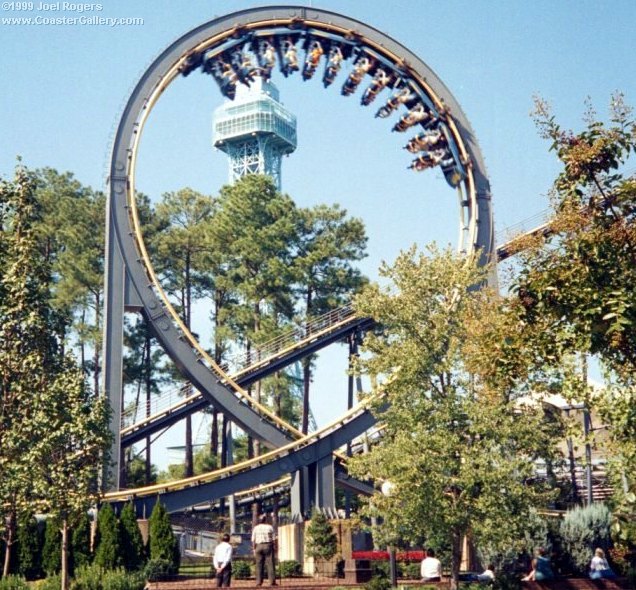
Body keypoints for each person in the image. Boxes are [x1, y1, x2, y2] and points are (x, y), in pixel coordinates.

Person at [252, 513, 277, 586]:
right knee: (270, 564)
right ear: (265, 520)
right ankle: (272, 582)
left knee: (259, 564)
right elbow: (274, 538)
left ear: (259, 521)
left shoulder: (256, 528)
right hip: (268, 545)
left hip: (258, 546)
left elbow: (253, 540)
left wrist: (254, 549)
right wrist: (275, 547)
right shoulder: (270, 527)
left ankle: (259, 582)